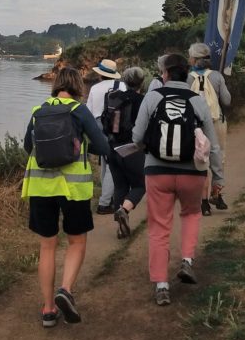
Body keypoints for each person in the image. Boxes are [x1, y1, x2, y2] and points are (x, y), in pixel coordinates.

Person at [22, 65, 110, 327]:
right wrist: (81, 145)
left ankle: (48, 310)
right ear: (78, 87)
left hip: (40, 188)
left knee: (47, 246)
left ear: (56, 85)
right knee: (76, 241)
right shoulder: (79, 111)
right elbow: (102, 146)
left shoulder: (39, 110)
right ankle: (66, 290)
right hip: (73, 188)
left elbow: (28, 146)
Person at [132, 53, 223, 306]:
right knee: (191, 214)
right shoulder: (198, 101)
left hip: (157, 172)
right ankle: (187, 261)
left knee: (159, 226)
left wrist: (147, 147)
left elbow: (137, 137)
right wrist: (218, 176)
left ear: (165, 74)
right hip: (192, 172)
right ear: (187, 75)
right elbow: (213, 145)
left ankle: (161, 286)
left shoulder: (152, 97)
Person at [187, 42, 231, 214]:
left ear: (194, 59)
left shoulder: (187, 78)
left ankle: (203, 203)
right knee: (218, 156)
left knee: (201, 161)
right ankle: (217, 193)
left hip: (195, 126)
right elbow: (226, 100)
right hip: (215, 121)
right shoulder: (217, 76)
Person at [105, 66, 146, 239]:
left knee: (120, 186)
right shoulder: (142, 101)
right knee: (140, 185)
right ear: (142, 82)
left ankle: (121, 228)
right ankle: (124, 210)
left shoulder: (113, 97)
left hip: (112, 148)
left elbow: (104, 122)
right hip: (132, 149)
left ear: (124, 81)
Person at [86, 58, 126, 214]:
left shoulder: (94, 88)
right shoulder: (121, 86)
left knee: (105, 161)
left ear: (100, 74)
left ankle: (106, 198)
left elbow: (88, 113)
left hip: (98, 127)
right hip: (116, 127)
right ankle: (105, 202)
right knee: (112, 164)